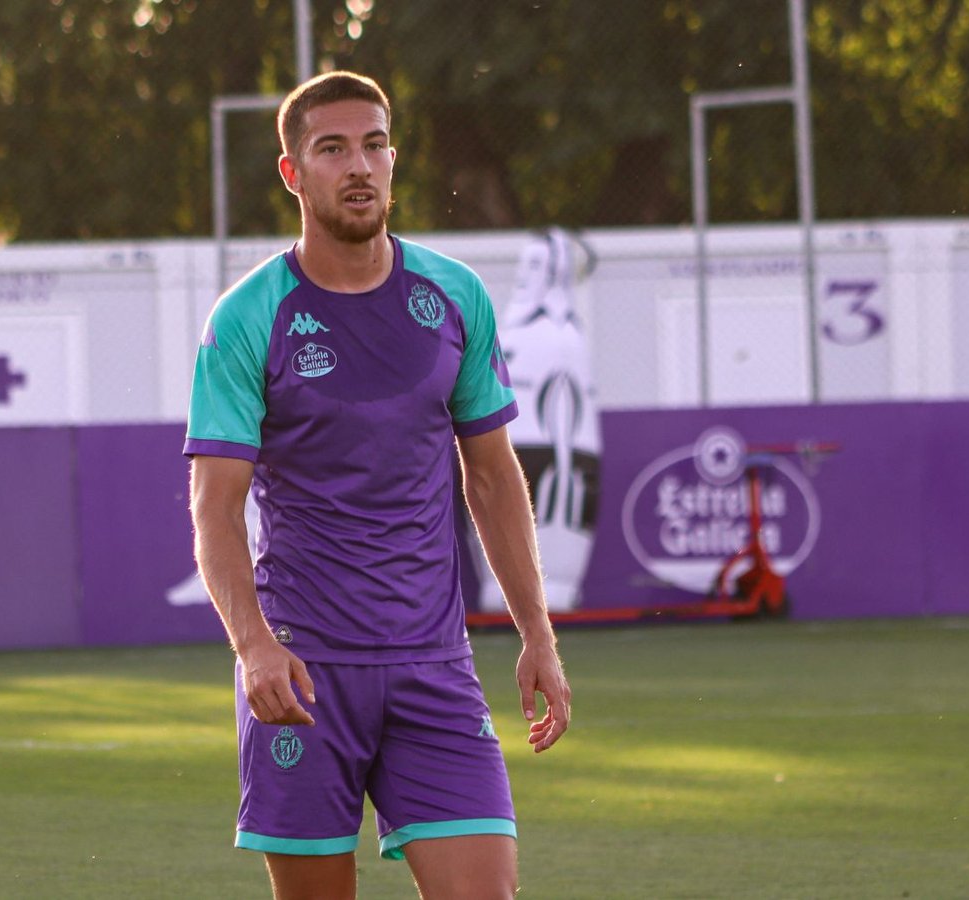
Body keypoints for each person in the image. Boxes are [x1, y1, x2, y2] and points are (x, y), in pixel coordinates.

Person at [185, 70, 571, 900]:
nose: (358, 166)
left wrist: (537, 630)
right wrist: (253, 644)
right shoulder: (248, 319)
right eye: (332, 149)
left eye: (374, 145)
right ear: (294, 172)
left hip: (436, 668)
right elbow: (214, 507)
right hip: (303, 675)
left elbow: (495, 480)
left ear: (394, 159)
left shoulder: (455, 297)